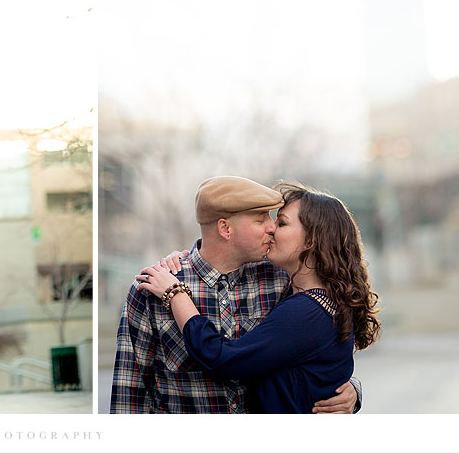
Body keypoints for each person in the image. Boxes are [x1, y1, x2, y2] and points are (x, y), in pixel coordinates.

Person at [109, 175, 362, 414]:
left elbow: (317, 353)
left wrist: (350, 388)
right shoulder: (152, 288)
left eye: (278, 220)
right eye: (260, 218)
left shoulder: (282, 279)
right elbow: (129, 390)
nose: (272, 227)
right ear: (225, 228)